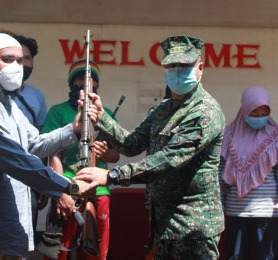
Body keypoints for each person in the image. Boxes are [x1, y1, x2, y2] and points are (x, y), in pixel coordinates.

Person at [0, 33, 96, 260]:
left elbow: (33, 144)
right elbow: (14, 159)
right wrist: (66, 187)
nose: (17, 67)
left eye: (20, 60)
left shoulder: (7, 104)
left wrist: (74, 129)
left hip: (8, 231)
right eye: (8, 59)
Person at [75, 35, 226, 259]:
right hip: (163, 224)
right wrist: (101, 116)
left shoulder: (204, 112)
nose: (177, 71)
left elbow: (167, 161)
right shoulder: (163, 109)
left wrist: (112, 175)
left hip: (194, 227)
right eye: (171, 65)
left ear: (200, 68)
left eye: (184, 66)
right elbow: (132, 144)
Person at [42, 58, 119, 260]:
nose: (83, 84)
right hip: (68, 185)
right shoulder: (58, 112)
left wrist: (102, 152)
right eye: (78, 79)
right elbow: (52, 154)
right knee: (59, 249)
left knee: (96, 249)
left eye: (89, 80)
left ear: (96, 85)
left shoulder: (106, 114)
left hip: (99, 190)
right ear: (71, 83)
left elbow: (115, 154)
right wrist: (60, 189)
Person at [219, 86, 278, 259]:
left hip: (268, 212)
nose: (259, 118)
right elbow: (221, 174)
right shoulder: (228, 136)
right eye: (254, 114)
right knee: (235, 256)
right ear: (244, 110)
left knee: (266, 256)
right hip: (235, 211)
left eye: (264, 114)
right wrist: (217, 204)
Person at [10, 34, 48, 236]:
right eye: (17, 58)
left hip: (28, 175)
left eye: (27, 58)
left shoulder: (37, 96)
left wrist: (41, 179)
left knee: (26, 234)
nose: (23, 63)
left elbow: (41, 140)